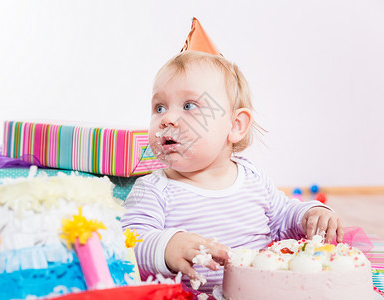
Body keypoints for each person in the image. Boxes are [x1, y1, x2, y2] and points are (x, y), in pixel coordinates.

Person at [120, 50, 344, 293]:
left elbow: (283, 216)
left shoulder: (252, 177)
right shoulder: (153, 189)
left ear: (235, 126)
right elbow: (128, 243)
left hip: (260, 291)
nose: (167, 119)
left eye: (188, 105)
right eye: (159, 108)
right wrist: (166, 246)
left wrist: (310, 214)